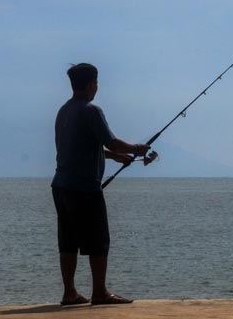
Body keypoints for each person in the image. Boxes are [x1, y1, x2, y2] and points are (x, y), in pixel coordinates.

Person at [51, 63, 150, 306]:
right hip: (84, 188)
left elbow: (80, 148)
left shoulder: (63, 111)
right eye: (96, 82)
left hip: (61, 186)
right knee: (98, 241)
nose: (97, 86)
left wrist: (113, 157)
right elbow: (113, 142)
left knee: (68, 241)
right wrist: (137, 148)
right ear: (90, 84)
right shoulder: (92, 111)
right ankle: (99, 292)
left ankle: (70, 293)